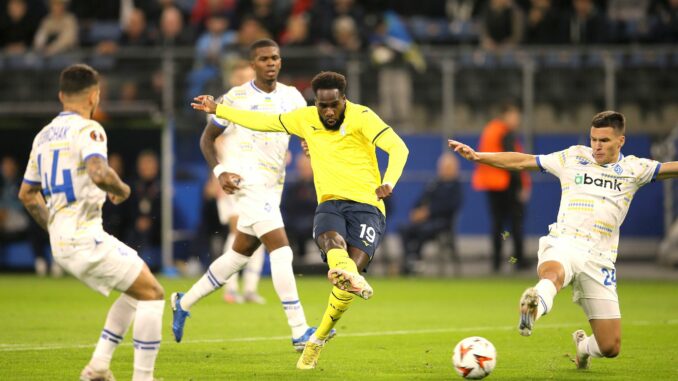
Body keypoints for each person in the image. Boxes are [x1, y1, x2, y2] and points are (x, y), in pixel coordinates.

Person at [191, 70, 409, 369]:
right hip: (331, 203)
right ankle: (341, 273)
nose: (329, 111)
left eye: (335, 105)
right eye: (323, 106)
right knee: (332, 242)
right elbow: (263, 122)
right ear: (315, 102)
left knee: (348, 280)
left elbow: (398, 147)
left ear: (344, 99)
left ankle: (317, 337)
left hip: (369, 206)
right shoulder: (304, 118)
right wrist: (220, 110)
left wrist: (390, 181)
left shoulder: (363, 116)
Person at [449, 110, 678, 370]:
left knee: (610, 346)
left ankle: (582, 347)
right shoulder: (572, 157)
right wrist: (480, 157)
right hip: (565, 241)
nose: (597, 146)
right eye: (593, 139)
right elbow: (524, 161)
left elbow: (671, 168)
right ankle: (533, 305)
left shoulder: (636, 168)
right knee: (553, 274)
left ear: (620, 141)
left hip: (599, 259)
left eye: (604, 141)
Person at [171, 39, 320, 351]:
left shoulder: (292, 97)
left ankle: (184, 302)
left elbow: (307, 131)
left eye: (275, 57)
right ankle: (298, 329)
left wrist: (309, 144)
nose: (271, 63)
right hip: (245, 182)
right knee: (282, 250)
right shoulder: (235, 98)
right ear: (253, 65)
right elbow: (207, 139)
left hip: (273, 184)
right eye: (264, 58)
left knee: (238, 255)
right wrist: (219, 172)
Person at [18, 64, 164, 381]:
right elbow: (99, 172)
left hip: (63, 241)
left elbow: (28, 194)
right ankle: (143, 378)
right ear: (95, 96)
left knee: (136, 290)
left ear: (61, 96)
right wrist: (122, 190)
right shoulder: (90, 130)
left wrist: (55, 228)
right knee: (153, 293)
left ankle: (98, 367)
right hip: (84, 237)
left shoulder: (42, 137)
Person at [215, 60, 266, 305]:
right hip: (231, 177)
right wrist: (215, 174)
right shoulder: (223, 103)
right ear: (233, 79)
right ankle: (231, 286)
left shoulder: (260, 103)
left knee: (262, 229)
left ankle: (250, 288)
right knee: (237, 230)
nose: (246, 81)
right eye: (241, 77)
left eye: (249, 76)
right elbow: (215, 142)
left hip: (257, 177)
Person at [473, 103, 531, 272]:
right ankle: (518, 260)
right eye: (515, 115)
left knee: (497, 224)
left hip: (492, 184)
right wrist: (522, 186)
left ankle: (497, 262)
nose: (517, 119)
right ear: (506, 115)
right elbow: (513, 162)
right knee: (515, 223)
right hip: (507, 185)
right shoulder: (505, 133)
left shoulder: (490, 129)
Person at [399, 152, 462, 274]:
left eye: (448, 167)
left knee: (423, 230)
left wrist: (428, 212)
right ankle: (411, 261)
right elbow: (421, 199)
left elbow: (450, 207)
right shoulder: (434, 184)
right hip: (426, 221)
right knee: (404, 229)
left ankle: (415, 262)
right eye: (443, 167)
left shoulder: (456, 187)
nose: (444, 170)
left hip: (443, 222)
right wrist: (416, 212)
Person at [281, 152, 317, 260]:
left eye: (306, 167)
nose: (303, 170)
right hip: (294, 222)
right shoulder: (293, 187)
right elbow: (287, 207)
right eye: (301, 167)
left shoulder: (318, 187)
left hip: (313, 222)